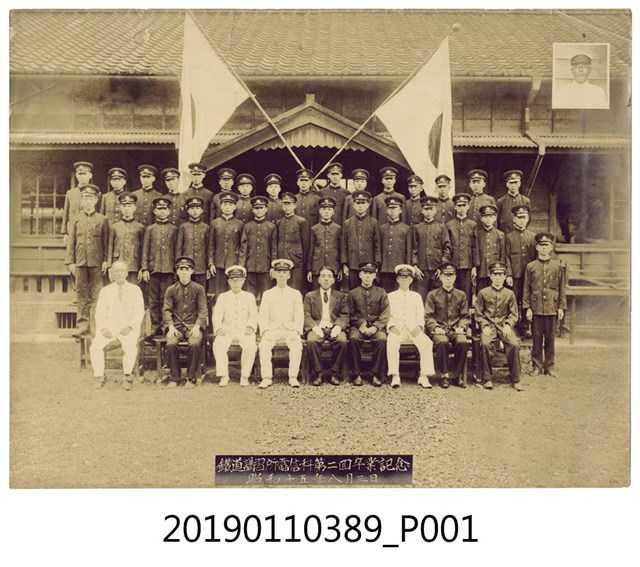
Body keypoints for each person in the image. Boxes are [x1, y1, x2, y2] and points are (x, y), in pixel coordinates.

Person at [89, 260, 145, 390]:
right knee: (95, 346)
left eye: (122, 270)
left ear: (126, 273)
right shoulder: (105, 291)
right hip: (110, 328)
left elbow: (139, 312)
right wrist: (103, 328)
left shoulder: (135, 290)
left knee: (130, 347)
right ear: (112, 274)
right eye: (116, 271)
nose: (119, 273)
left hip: (127, 328)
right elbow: (100, 313)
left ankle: (127, 377)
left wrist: (130, 327)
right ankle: (99, 377)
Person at [65, 184, 109, 337]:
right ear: (82, 201)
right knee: (81, 295)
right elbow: (71, 242)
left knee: (97, 295)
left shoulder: (103, 220)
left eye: (90, 198)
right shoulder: (76, 219)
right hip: (80, 262)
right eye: (85, 198)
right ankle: (83, 326)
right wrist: (71, 262)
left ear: (96, 200)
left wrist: (106, 260)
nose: (88, 201)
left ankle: (96, 326)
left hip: (97, 263)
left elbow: (106, 243)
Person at [523, 232, 567, 377]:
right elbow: (526, 288)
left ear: (551, 247)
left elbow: (562, 288)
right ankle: (536, 366)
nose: (543, 248)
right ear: (536, 247)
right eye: (541, 245)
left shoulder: (558, 267)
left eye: (546, 245)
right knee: (536, 339)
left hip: (551, 308)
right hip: (536, 308)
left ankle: (550, 367)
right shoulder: (531, 267)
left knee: (550, 339)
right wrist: (527, 308)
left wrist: (561, 307)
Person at [474, 261, 522, 391]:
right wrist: (484, 325)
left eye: (500, 275)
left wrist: (508, 324)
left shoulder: (509, 294)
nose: (497, 277)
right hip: (489, 326)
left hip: (503, 326)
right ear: (490, 276)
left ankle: (516, 379)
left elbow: (514, 314)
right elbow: (478, 313)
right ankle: (487, 379)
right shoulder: (483, 293)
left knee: (514, 344)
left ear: (505, 277)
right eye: (495, 274)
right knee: (485, 344)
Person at [257, 259, 304, 388]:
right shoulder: (268, 294)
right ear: (274, 274)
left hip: (290, 329)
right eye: (278, 272)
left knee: (296, 343)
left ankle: (293, 377)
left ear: (289, 275)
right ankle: (266, 377)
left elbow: (299, 315)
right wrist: (265, 330)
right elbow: (263, 315)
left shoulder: (295, 294)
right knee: (264, 344)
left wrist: (296, 330)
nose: (281, 275)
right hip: (273, 329)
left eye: (284, 272)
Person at [386, 265, 434, 388]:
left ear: (411, 280)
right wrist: (392, 327)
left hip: (413, 330)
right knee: (391, 342)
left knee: (427, 343)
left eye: (407, 277)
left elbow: (420, 315)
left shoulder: (416, 296)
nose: (404, 280)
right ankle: (395, 375)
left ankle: (424, 376)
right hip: (397, 330)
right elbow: (387, 315)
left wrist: (419, 327)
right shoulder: (390, 296)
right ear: (397, 279)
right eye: (401, 277)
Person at [162, 256, 208, 388]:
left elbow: (203, 310)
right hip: (176, 326)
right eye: (181, 269)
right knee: (171, 343)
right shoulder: (171, 289)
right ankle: (175, 378)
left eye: (187, 269)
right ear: (177, 271)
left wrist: (197, 326)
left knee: (194, 343)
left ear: (192, 271)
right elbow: (166, 310)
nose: (184, 272)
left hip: (193, 326)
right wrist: (170, 327)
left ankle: (191, 378)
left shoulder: (199, 289)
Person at [424, 262, 471, 389]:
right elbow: (428, 315)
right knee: (442, 342)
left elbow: (465, 316)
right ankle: (444, 375)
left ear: (455, 277)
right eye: (446, 275)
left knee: (463, 342)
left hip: (455, 329)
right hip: (439, 330)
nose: (448, 278)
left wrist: (462, 327)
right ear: (440, 277)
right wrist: (436, 327)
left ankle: (456, 375)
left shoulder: (461, 295)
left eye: (451, 275)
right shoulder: (432, 294)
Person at [212, 265, 258, 387]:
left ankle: (245, 376)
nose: (235, 282)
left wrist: (251, 327)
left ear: (243, 280)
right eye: (232, 280)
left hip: (244, 330)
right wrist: (219, 328)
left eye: (238, 279)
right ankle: (224, 375)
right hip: (227, 330)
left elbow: (253, 315)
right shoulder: (223, 297)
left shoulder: (249, 296)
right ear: (228, 281)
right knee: (218, 344)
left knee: (250, 345)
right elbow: (217, 316)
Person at [303, 267, 350, 386]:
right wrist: (314, 327)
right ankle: (318, 372)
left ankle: (335, 372)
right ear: (318, 279)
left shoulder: (341, 296)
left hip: (333, 327)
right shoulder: (310, 296)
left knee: (342, 341)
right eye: (323, 276)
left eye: (329, 276)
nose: (326, 279)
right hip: (317, 327)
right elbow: (306, 314)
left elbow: (345, 314)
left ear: (333, 280)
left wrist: (338, 326)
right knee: (312, 340)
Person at [347, 261, 390, 387]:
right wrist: (361, 324)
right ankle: (356, 374)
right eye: (364, 273)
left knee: (382, 339)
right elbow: (349, 313)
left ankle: (375, 374)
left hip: (376, 327)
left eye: (370, 273)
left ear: (374, 276)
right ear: (360, 275)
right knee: (353, 338)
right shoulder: (353, 293)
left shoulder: (381, 292)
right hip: (358, 327)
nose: (367, 276)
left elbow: (385, 313)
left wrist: (375, 327)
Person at [141, 197, 178, 338]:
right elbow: (145, 249)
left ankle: (167, 326)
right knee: (153, 299)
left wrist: (176, 269)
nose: (162, 212)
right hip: (153, 268)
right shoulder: (150, 229)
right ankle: (155, 326)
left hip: (169, 268)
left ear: (169, 211)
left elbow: (177, 250)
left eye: (165, 209)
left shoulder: (174, 229)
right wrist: (145, 268)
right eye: (159, 209)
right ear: (155, 211)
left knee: (166, 298)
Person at [412, 195, 452, 302]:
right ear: (422, 210)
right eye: (426, 209)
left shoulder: (442, 228)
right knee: (421, 298)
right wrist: (415, 266)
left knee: (438, 299)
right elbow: (414, 249)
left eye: (431, 209)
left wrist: (442, 266)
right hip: (422, 270)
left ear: (435, 210)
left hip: (437, 269)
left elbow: (447, 248)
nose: (428, 212)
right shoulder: (417, 228)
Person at [505, 205, 537, 337]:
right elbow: (506, 257)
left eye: (524, 218)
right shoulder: (509, 237)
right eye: (519, 218)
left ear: (528, 219)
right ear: (514, 219)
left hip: (528, 275)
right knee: (513, 300)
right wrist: (508, 274)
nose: (522, 220)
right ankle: (512, 325)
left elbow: (536, 258)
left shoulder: (533, 237)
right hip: (515, 275)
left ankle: (525, 326)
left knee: (526, 300)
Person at [239, 195, 278, 299]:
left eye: (261, 208)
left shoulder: (271, 227)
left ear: (266, 209)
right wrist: (242, 266)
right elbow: (243, 248)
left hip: (266, 267)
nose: (259, 210)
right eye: (256, 208)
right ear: (252, 210)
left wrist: (273, 266)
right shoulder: (248, 226)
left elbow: (274, 248)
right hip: (250, 267)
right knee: (249, 297)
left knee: (266, 297)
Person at [341, 190, 381, 290]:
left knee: (369, 291)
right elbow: (343, 245)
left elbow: (377, 245)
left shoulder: (373, 223)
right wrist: (344, 264)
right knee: (353, 292)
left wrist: (376, 265)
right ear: (354, 205)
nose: (360, 206)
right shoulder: (347, 223)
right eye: (358, 203)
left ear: (368, 205)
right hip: (352, 264)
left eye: (363, 203)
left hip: (368, 264)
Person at [208, 193, 244, 297]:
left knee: (235, 293)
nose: (227, 207)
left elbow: (242, 246)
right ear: (221, 206)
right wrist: (211, 263)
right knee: (220, 294)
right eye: (225, 204)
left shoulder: (239, 224)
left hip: (234, 263)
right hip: (218, 263)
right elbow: (211, 245)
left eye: (230, 204)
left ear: (234, 206)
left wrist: (240, 264)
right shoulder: (215, 223)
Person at [446, 192, 478, 304]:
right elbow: (447, 246)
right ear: (455, 207)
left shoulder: (472, 225)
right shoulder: (449, 225)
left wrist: (474, 266)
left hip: (467, 264)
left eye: (464, 205)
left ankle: (465, 313)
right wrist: (447, 263)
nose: (461, 208)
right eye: (459, 205)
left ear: (468, 206)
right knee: (452, 292)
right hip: (453, 264)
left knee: (465, 293)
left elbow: (475, 247)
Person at [107, 193, 145, 285]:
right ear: (120, 207)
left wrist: (142, 268)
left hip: (134, 265)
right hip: (118, 264)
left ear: (134, 208)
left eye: (130, 206)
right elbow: (110, 248)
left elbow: (143, 250)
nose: (127, 209)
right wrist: (109, 267)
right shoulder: (114, 227)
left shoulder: (140, 228)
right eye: (124, 206)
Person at [275, 192, 309, 292]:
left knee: (295, 289)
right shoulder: (279, 222)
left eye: (289, 204)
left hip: (296, 261)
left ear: (294, 205)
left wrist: (303, 261)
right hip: (282, 261)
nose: (286, 207)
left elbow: (305, 244)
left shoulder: (301, 221)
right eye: (284, 204)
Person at [378, 196, 412, 292]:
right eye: (390, 208)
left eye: (395, 208)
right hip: (384, 269)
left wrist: (407, 268)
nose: (392, 211)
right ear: (386, 210)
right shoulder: (381, 229)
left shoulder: (406, 229)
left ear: (400, 210)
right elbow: (378, 249)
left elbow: (408, 251)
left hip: (400, 269)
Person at [307, 196, 342, 287]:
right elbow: (311, 249)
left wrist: (341, 268)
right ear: (320, 211)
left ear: (333, 212)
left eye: (329, 209)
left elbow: (341, 249)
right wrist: (309, 269)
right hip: (317, 266)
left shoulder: (338, 228)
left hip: (334, 266)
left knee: (334, 292)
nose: (326, 212)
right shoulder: (314, 228)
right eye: (324, 209)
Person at [175, 196, 210, 288]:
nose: (195, 210)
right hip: (185, 267)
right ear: (188, 210)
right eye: (192, 208)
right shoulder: (183, 227)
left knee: (201, 290)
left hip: (201, 267)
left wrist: (208, 267)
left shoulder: (206, 227)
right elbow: (179, 248)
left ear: (201, 210)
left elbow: (208, 248)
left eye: (197, 208)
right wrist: (178, 266)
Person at [62, 161, 100, 242]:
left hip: (90, 231)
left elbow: (100, 215)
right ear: (76, 175)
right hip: (73, 231)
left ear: (90, 175)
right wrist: (65, 233)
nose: (82, 177)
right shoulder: (70, 193)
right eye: (80, 174)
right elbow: (66, 214)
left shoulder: (97, 194)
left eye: (85, 174)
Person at [475, 204, 507, 292]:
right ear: (481, 218)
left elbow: (503, 255)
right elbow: (475, 253)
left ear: (495, 218)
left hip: (496, 272)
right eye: (485, 216)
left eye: (490, 216)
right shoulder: (478, 235)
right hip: (481, 271)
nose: (488, 219)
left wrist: (502, 271)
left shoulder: (500, 235)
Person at [294, 168, 320, 235]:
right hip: (296, 234)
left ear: (311, 182)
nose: (303, 183)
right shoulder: (293, 199)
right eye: (301, 180)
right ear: (297, 182)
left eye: (306, 180)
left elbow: (319, 220)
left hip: (311, 234)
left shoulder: (316, 199)